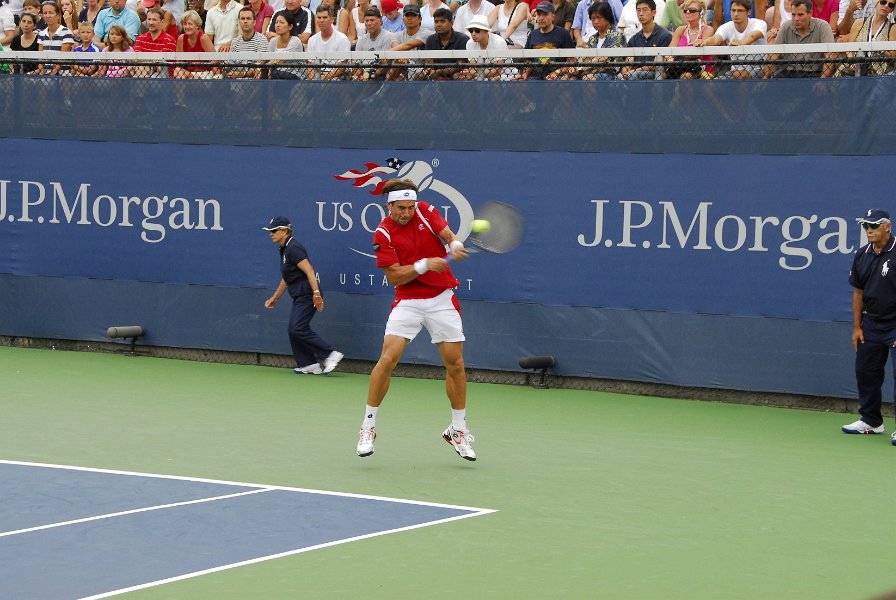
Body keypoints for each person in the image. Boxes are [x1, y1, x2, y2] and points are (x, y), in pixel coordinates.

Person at [355, 179, 475, 461]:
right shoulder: (382, 233)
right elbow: (394, 276)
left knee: (455, 364)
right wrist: (424, 265)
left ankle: (457, 430)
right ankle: (368, 426)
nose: (407, 213)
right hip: (408, 301)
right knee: (388, 359)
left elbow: (447, 234)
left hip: (441, 299)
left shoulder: (425, 210)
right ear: (389, 206)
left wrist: (455, 243)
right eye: (400, 208)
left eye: (410, 207)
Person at [262, 216, 343, 376]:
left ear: (284, 231)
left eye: (273, 230)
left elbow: (309, 271)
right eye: (269, 231)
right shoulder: (284, 249)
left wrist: (316, 294)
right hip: (299, 294)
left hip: (307, 294)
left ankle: (330, 354)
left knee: (297, 328)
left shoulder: (293, 248)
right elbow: (288, 277)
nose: (270, 233)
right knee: (294, 329)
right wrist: (275, 298)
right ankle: (308, 364)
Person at [843, 209, 896, 440]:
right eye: (866, 226)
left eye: (874, 226)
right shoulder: (862, 254)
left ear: (888, 227)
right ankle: (871, 421)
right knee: (866, 372)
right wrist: (857, 326)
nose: (869, 230)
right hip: (871, 324)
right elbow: (859, 292)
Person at [763, 0, 835, 78]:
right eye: (793, 15)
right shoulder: (785, 26)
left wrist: (822, 80)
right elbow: (774, 54)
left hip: (815, 73)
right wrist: (765, 76)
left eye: (800, 15)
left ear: (810, 13)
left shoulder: (823, 26)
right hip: (790, 72)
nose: (796, 18)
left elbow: (830, 55)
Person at [696, 0, 766, 79]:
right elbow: (715, 39)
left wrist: (741, 42)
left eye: (740, 11)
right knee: (711, 85)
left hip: (758, 69)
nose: (736, 14)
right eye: (733, 10)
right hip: (734, 71)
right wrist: (704, 42)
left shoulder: (760, 24)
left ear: (748, 12)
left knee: (740, 74)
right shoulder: (726, 26)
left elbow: (752, 37)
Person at [518, 2, 575, 80]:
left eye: (545, 14)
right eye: (539, 14)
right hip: (535, 77)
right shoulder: (533, 34)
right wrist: (525, 73)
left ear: (553, 17)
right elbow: (529, 60)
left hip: (558, 77)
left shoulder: (563, 33)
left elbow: (571, 61)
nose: (541, 18)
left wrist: (557, 72)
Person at [620, 0, 672, 80]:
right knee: (619, 78)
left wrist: (638, 70)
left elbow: (658, 65)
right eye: (638, 10)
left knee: (634, 75)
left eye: (645, 10)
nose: (641, 13)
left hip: (656, 74)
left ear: (653, 12)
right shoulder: (633, 39)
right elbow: (628, 62)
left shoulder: (664, 36)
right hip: (635, 73)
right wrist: (625, 73)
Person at [667, 0, 714, 79]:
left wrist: (677, 57)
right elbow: (669, 52)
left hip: (702, 70)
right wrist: (670, 58)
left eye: (692, 10)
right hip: (679, 67)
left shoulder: (707, 29)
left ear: (701, 13)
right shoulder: (680, 30)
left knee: (686, 76)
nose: (688, 12)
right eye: (685, 10)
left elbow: (698, 54)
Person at [419, 7, 468, 79]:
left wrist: (440, 71)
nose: (438, 24)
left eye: (442, 21)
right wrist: (429, 70)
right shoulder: (430, 39)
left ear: (451, 23)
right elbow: (429, 61)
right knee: (419, 76)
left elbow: (461, 64)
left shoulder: (463, 39)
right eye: (436, 21)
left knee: (457, 76)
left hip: (455, 74)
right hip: (435, 75)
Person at [385, 3, 432, 80]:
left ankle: (385, 88)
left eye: (413, 15)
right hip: (401, 68)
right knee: (398, 67)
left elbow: (409, 45)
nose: (409, 18)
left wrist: (386, 53)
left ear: (420, 19)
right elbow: (396, 47)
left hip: (419, 70)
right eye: (407, 16)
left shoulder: (426, 33)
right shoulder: (397, 35)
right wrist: (400, 57)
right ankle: (385, 87)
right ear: (403, 19)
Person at [456, 14, 507, 79]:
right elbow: (472, 67)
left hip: (505, 76)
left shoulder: (499, 42)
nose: (473, 34)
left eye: (477, 30)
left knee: (494, 79)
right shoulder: (470, 43)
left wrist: (473, 73)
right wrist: (472, 73)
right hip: (480, 77)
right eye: (471, 31)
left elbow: (496, 71)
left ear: (486, 31)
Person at [306, 4, 350, 80]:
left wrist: (324, 78)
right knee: (298, 87)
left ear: (332, 19)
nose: (321, 20)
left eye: (325, 17)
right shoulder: (311, 40)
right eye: (319, 17)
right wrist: (314, 79)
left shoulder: (342, 39)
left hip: (336, 77)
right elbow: (310, 65)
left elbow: (342, 66)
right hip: (316, 76)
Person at [131, 6, 177, 77]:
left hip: (163, 76)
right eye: (149, 19)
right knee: (141, 67)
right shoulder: (140, 38)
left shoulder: (169, 40)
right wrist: (153, 62)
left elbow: (162, 63)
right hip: (142, 71)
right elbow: (137, 58)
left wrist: (147, 61)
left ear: (162, 22)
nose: (151, 22)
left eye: (154, 20)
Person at [353, 6, 397, 80]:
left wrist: (369, 76)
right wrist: (360, 75)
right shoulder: (361, 40)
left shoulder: (389, 36)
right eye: (366, 21)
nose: (369, 23)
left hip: (382, 77)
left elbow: (384, 64)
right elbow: (356, 63)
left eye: (372, 20)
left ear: (380, 21)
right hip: (363, 77)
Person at [173, 9, 217, 79]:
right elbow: (179, 63)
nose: (187, 27)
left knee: (185, 76)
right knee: (177, 70)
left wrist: (216, 78)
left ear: (197, 25)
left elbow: (214, 61)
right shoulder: (181, 38)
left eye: (190, 24)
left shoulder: (203, 38)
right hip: (188, 73)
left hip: (205, 73)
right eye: (185, 24)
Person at [35, 1, 74, 76]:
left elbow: (63, 57)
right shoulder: (41, 33)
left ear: (58, 15)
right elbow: (40, 57)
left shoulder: (66, 32)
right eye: (45, 13)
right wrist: (42, 70)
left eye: (51, 13)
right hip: (45, 73)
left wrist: (53, 72)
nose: (48, 16)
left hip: (63, 73)